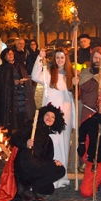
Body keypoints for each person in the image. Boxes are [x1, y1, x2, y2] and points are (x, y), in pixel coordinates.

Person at [0, 104, 67, 201]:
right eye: (47, 115)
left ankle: (31, 186)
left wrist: (53, 162)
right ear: (42, 116)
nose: (49, 118)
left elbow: (46, 158)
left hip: (36, 163)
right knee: (60, 170)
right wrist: (25, 143)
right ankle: (31, 187)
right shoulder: (32, 126)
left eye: (52, 117)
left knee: (49, 190)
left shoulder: (48, 139)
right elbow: (15, 138)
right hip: (26, 162)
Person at [32, 47, 76, 188]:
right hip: (52, 114)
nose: (60, 60)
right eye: (57, 57)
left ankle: (62, 175)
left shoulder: (70, 74)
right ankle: (52, 175)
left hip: (66, 114)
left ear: (66, 59)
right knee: (53, 144)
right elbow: (35, 76)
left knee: (64, 144)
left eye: (62, 57)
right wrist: (40, 58)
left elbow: (73, 96)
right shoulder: (50, 73)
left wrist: (76, 84)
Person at [0, 47, 36, 134]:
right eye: (8, 54)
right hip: (9, 99)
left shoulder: (19, 66)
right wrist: (12, 83)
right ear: (5, 56)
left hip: (21, 97)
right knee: (9, 120)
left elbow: (25, 78)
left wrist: (23, 82)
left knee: (21, 118)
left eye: (12, 53)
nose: (11, 56)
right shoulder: (2, 69)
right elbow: (1, 85)